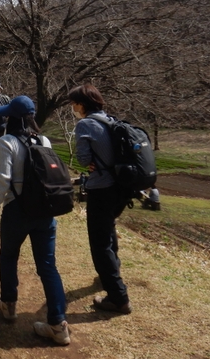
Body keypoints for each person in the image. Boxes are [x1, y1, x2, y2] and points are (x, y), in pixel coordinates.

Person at [0, 95, 70, 346]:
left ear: (11, 118)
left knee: (9, 255)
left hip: (17, 211)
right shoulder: (43, 139)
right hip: (44, 211)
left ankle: (9, 304)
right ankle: (58, 324)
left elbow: (3, 179)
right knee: (48, 266)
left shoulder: (6, 141)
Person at [68, 83, 132, 314]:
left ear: (82, 105)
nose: (73, 108)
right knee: (108, 230)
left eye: (74, 104)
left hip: (101, 188)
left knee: (99, 243)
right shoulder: (111, 120)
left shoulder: (85, 124)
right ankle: (112, 271)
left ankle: (118, 297)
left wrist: (90, 161)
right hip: (121, 187)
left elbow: (84, 160)